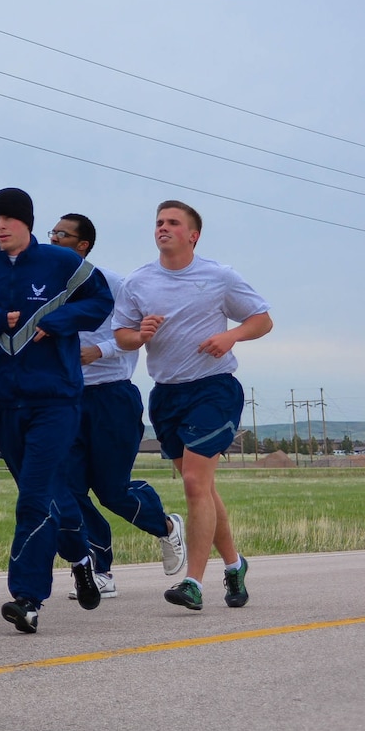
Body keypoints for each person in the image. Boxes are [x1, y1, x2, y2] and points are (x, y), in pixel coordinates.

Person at [0, 188, 114, 635]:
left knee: (34, 498)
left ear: (27, 222)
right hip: (5, 404)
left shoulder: (60, 263)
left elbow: (100, 302)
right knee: (50, 497)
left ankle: (27, 598)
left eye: (7, 219)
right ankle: (81, 557)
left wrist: (53, 323)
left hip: (56, 402)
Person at [113, 200, 272, 609]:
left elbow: (262, 319)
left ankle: (193, 583)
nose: (163, 228)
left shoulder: (219, 276)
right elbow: (121, 336)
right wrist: (139, 334)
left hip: (213, 388)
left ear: (193, 235)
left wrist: (231, 336)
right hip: (167, 394)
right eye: (159, 222)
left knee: (194, 484)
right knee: (201, 486)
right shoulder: (138, 282)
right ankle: (235, 565)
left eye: (172, 223)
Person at [47, 213, 187, 598]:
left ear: (82, 245)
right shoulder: (42, 289)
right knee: (68, 488)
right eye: (52, 232)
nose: (54, 239)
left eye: (63, 234)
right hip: (65, 399)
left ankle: (167, 527)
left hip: (112, 395)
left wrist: (100, 349)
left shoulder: (113, 284)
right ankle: (99, 569)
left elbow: (136, 335)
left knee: (111, 491)